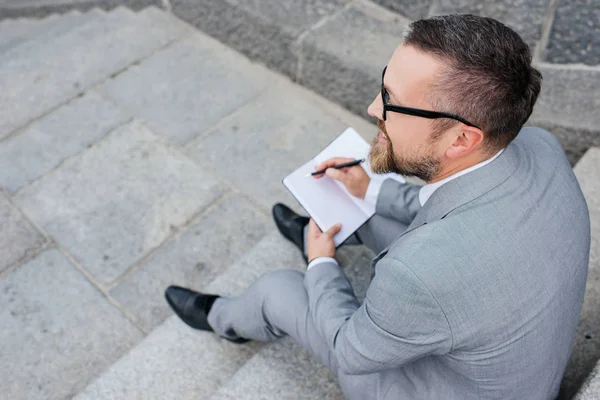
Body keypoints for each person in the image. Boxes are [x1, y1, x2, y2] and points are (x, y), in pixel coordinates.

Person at [164, 14, 590, 399]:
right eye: (383, 82)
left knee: (278, 290)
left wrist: (321, 265)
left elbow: (350, 350)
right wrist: (368, 187)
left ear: (461, 139)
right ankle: (327, 230)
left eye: (392, 99)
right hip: (516, 364)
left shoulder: (417, 273)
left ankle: (223, 318)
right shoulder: (540, 147)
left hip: (443, 388)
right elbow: (438, 205)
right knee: (373, 209)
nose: (373, 108)